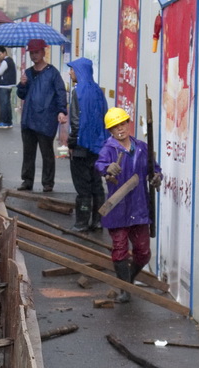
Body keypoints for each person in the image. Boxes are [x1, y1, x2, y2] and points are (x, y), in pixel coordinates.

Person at [95, 107, 162, 303]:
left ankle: (128, 280)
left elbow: (154, 168)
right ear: (111, 131)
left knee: (143, 252)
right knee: (120, 248)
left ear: (128, 123)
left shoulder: (141, 147)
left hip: (139, 207)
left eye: (122, 124)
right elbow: (99, 165)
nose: (120, 129)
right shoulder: (109, 149)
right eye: (115, 127)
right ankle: (125, 289)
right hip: (117, 208)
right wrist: (108, 167)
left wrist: (157, 176)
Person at [15, 38, 67, 192]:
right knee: (28, 153)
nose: (34, 55)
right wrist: (22, 84)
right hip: (29, 119)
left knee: (47, 154)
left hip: (46, 119)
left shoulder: (52, 73)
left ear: (44, 52)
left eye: (37, 52)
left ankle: (48, 183)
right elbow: (21, 95)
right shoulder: (28, 73)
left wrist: (61, 110)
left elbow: (60, 93)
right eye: (31, 52)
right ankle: (27, 180)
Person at [66, 57, 108, 231]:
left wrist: (71, 142)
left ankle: (82, 222)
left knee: (82, 186)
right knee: (96, 184)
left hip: (81, 146)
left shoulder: (78, 92)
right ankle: (97, 220)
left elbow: (76, 121)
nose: (70, 72)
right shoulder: (98, 91)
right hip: (97, 146)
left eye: (72, 69)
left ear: (79, 71)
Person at [0, 46, 16, 128]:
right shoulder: (10, 60)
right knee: (7, 105)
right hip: (10, 85)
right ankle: (9, 121)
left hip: (4, 85)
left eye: (0, 54)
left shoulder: (5, 62)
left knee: (3, 104)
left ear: (4, 53)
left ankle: (4, 122)